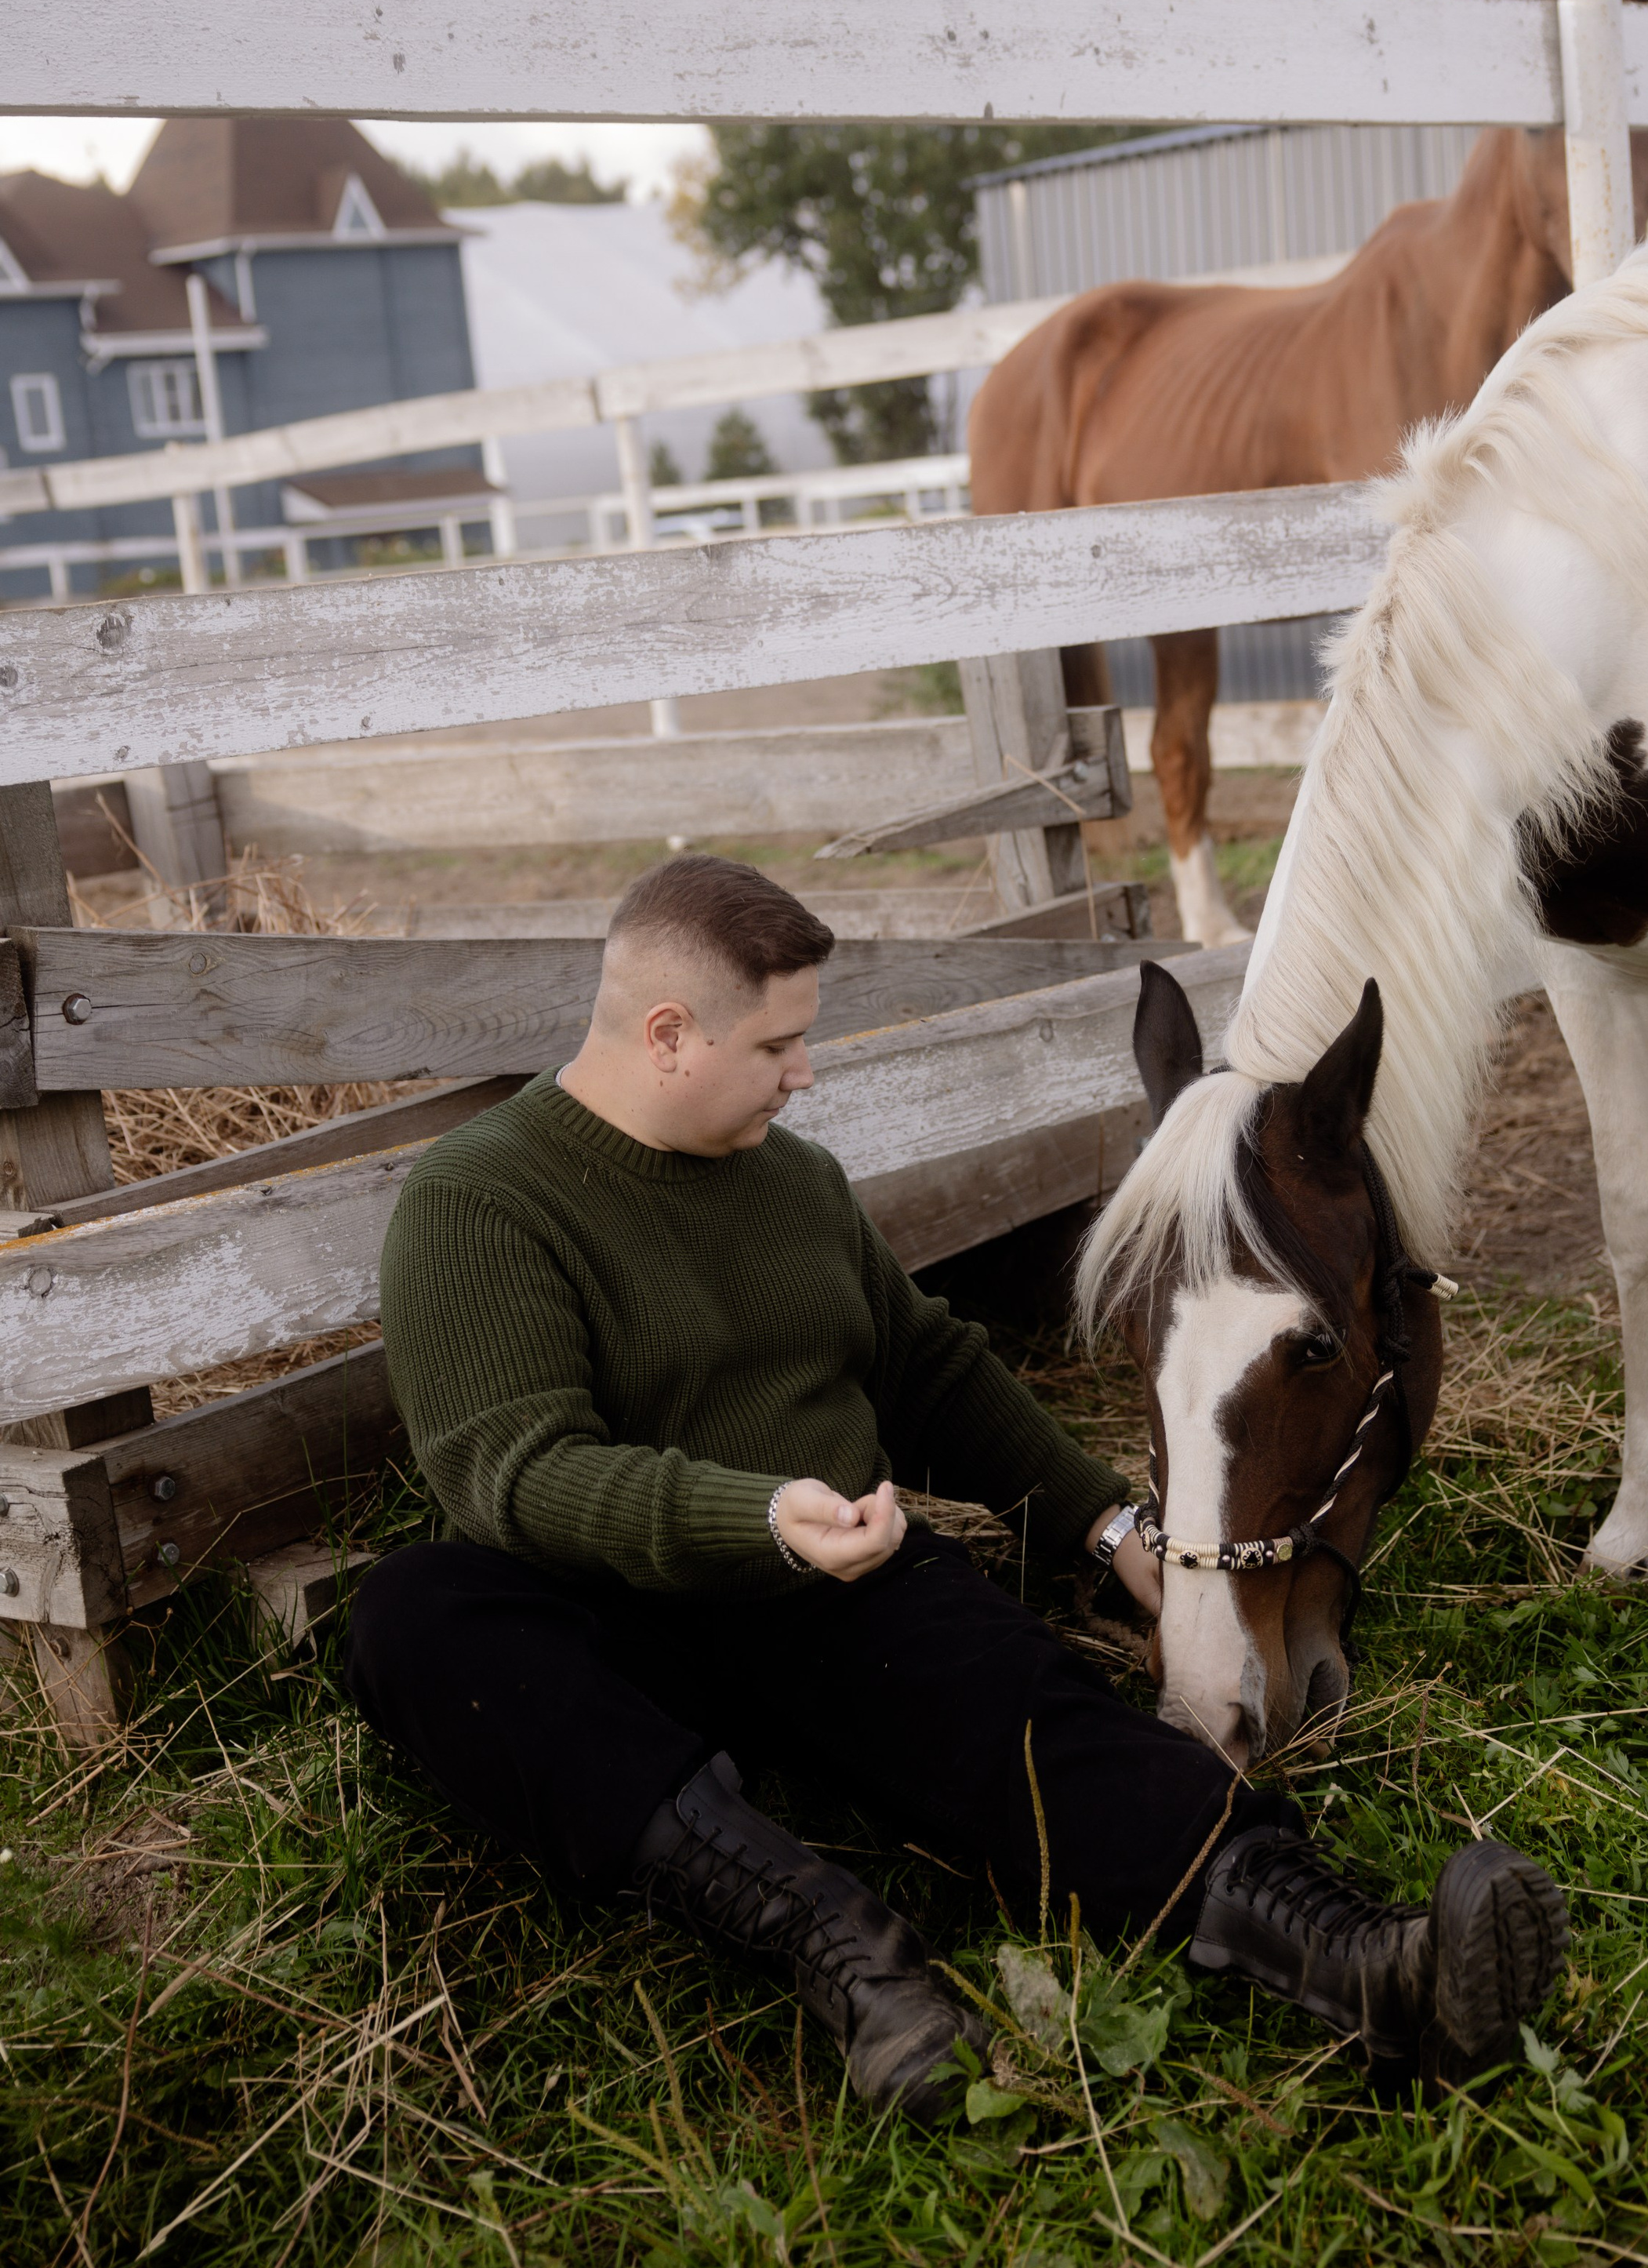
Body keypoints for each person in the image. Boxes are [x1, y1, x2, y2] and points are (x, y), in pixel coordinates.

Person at [347, 854, 1566, 2121]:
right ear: (668, 1034)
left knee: (1028, 1710)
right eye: (777, 1044)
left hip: (831, 1584)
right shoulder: (480, 1200)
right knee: (418, 1616)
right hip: (613, 1621)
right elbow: (516, 1470)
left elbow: (927, 1371)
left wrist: (1105, 1524)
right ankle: (839, 1947)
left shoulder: (793, 1181)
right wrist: (755, 1516)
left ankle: (1365, 1963)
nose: (803, 1072)